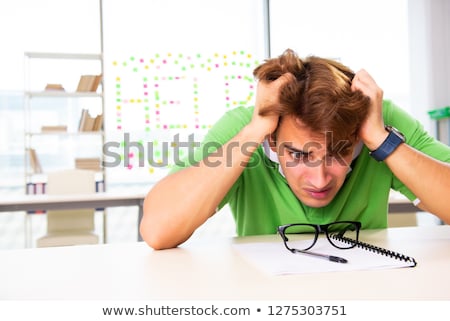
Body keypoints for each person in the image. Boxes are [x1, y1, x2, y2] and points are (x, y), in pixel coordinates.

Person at [140, 49, 450, 250]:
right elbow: (157, 231)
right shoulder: (247, 128)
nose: (319, 180)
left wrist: (380, 140)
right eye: (299, 155)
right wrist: (254, 132)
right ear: (272, 140)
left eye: (339, 153)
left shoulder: (379, 122)